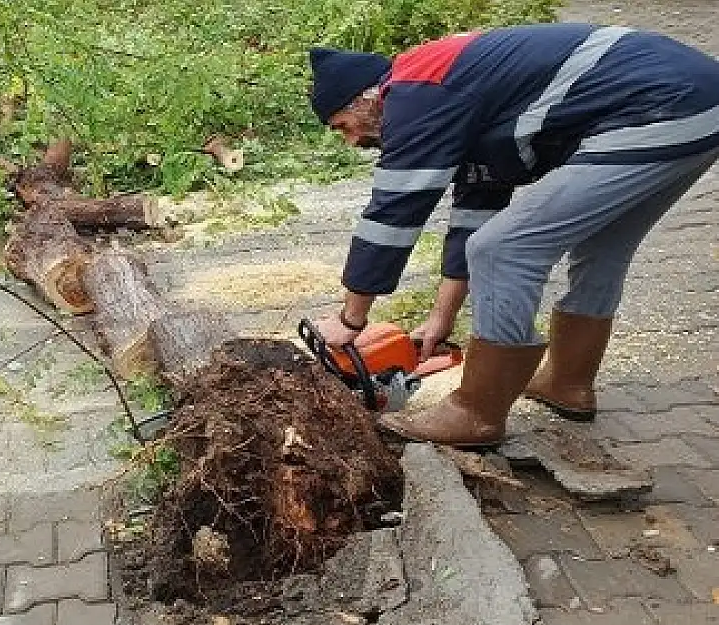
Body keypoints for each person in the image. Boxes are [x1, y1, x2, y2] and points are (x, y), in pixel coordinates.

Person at [308, 22, 719, 447]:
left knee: (505, 248)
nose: (352, 140)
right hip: (698, 104)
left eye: (343, 126)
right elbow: (475, 214)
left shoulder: (415, 95)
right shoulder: (449, 95)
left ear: (367, 97)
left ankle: (476, 414)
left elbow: (392, 216)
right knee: (601, 248)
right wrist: (440, 320)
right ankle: (568, 384)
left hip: (662, 106)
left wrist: (349, 320)